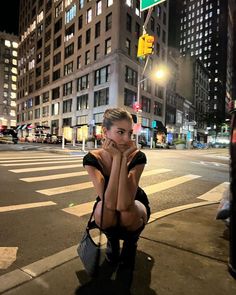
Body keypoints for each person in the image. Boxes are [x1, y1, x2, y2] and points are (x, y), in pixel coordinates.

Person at [83, 108, 150, 285]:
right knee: (103, 211)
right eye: (120, 132)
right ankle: (112, 241)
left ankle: (130, 244)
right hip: (108, 204)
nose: (127, 139)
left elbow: (124, 203)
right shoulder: (92, 159)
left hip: (134, 202)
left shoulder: (138, 157)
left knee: (127, 211)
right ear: (105, 132)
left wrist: (122, 158)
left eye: (129, 133)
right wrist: (118, 158)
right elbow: (110, 202)